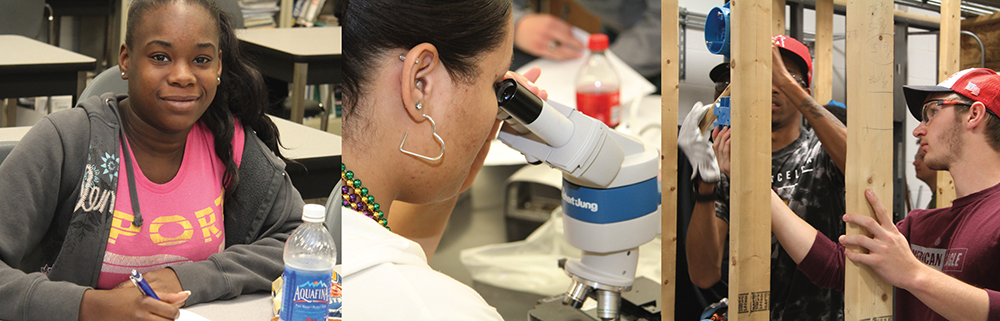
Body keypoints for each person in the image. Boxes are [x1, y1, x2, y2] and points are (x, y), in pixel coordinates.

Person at [0, 1, 305, 320]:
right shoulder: (69, 142)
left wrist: (185, 278)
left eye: (201, 59)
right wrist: (90, 306)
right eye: (160, 57)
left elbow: (299, 239)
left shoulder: (228, 142)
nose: (183, 76)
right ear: (126, 60)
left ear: (218, 67)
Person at [340, 0, 549, 319]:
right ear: (420, 82)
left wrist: (463, 160)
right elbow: (405, 288)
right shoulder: (448, 312)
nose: (498, 107)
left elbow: (399, 255)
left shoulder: (316, 211)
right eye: (495, 83)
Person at [772, 67, 1000, 320]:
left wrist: (914, 274)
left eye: (932, 112)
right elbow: (837, 268)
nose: (918, 130)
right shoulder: (921, 226)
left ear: (974, 114)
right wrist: (761, 192)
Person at [681, 35, 848, 321]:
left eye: (783, 76)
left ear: (802, 89)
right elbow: (704, 275)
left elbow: (862, 164)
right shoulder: (728, 165)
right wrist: (706, 183)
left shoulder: (820, 153)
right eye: (760, 76)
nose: (771, 85)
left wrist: (785, 82)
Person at [511, 0, 661, 77]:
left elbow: (666, 22)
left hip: (661, 41)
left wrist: (602, 67)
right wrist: (515, 24)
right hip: (617, 30)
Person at [914, 138, 940, 209]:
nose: (915, 163)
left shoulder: (943, 201)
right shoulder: (937, 199)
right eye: (916, 157)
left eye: (922, 157)